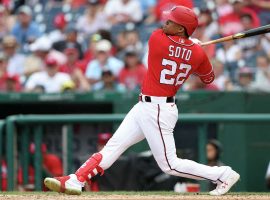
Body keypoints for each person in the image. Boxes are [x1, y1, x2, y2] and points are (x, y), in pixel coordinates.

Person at [44, 6, 240, 196]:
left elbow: (173, 46)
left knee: (170, 165)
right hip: (146, 106)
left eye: (171, 21)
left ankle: (223, 174)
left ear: (181, 29)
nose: (166, 22)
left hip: (158, 109)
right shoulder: (197, 53)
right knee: (113, 146)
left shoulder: (157, 39)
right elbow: (208, 79)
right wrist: (193, 53)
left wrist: (188, 46)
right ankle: (76, 180)